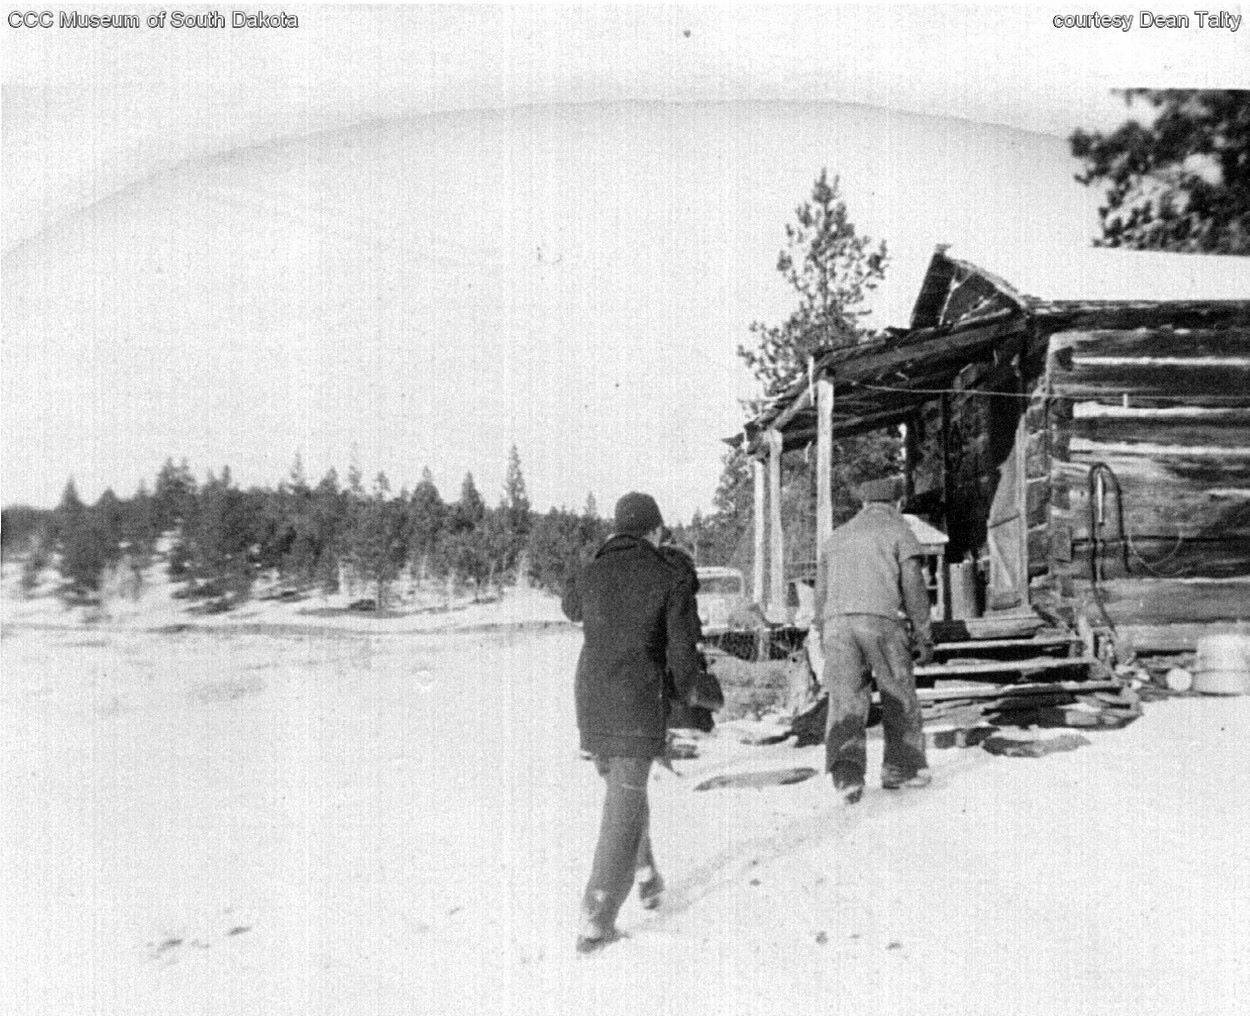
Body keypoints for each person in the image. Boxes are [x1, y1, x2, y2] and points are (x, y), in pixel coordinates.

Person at [561, 492, 706, 954]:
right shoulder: (667, 575)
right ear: (654, 529)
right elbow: (682, 653)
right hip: (637, 703)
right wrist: (693, 698)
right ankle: (596, 919)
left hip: (591, 702)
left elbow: (571, 607)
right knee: (624, 806)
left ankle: (645, 873)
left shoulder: (592, 568)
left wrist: (596, 557)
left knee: (624, 792)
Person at [813, 476, 933, 804]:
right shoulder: (899, 531)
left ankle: (847, 776)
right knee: (897, 693)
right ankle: (901, 768)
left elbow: (820, 593)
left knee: (845, 699)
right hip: (880, 622)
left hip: (836, 624)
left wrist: (823, 630)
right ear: (896, 504)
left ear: (864, 505)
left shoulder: (836, 538)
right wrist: (923, 632)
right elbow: (913, 586)